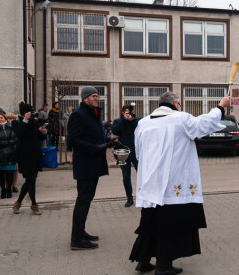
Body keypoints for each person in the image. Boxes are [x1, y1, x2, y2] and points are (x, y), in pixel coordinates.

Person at [129, 92, 230, 275]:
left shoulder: (143, 123)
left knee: (149, 222)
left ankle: (143, 261)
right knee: (170, 225)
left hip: (150, 184)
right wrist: (221, 106)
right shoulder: (181, 119)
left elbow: (138, 153)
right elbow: (204, 123)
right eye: (180, 104)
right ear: (175, 103)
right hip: (172, 186)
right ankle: (163, 265)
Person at [67, 86, 112, 250]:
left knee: (86, 200)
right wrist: (94, 148)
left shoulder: (93, 114)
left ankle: (80, 232)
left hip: (93, 164)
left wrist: (108, 140)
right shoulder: (78, 115)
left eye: (97, 95)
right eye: (93, 96)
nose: (97, 98)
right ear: (85, 99)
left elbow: (94, 134)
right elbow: (73, 140)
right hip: (85, 164)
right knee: (83, 200)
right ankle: (76, 240)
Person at [12, 102, 47, 215]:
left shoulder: (35, 122)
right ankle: (34, 204)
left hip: (35, 154)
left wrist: (43, 131)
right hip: (24, 156)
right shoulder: (16, 123)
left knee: (31, 180)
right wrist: (25, 121)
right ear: (23, 113)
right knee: (31, 180)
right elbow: (20, 134)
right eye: (28, 112)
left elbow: (40, 138)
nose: (30, 114)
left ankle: (18, 203)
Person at [112, 104, 140, 207]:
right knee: (125, 176)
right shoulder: (118, 121)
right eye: (128, 113)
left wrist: (132, 120)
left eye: (131, 112)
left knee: (141, 175)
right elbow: (115, 131)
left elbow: (140, 124)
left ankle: (142, 196)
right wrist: (124, 120)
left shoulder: (136, 120)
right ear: (123, 113)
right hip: (123, 153)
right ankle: (129, 198)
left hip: (136, 152)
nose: (130, 114)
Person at [0, 112, 17, 199]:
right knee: (1, 174)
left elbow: (15, 139)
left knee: (10, 173)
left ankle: (9, 189)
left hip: (10, 154)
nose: (0, 120)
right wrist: (8, 143)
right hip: (0, 154)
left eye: (1, 118)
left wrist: (7, 143)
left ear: (5, 119)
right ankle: (3, 190)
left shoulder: (10, 128)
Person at [5, 113, 19, 193]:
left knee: (15, 169)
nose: (11, 120)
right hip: (5, 151)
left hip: (14, 150)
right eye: (9, 119)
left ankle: (14, 185)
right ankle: (7, 185)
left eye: (12, 119)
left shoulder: (16, 128)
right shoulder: (4, 128)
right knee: (6, 170)